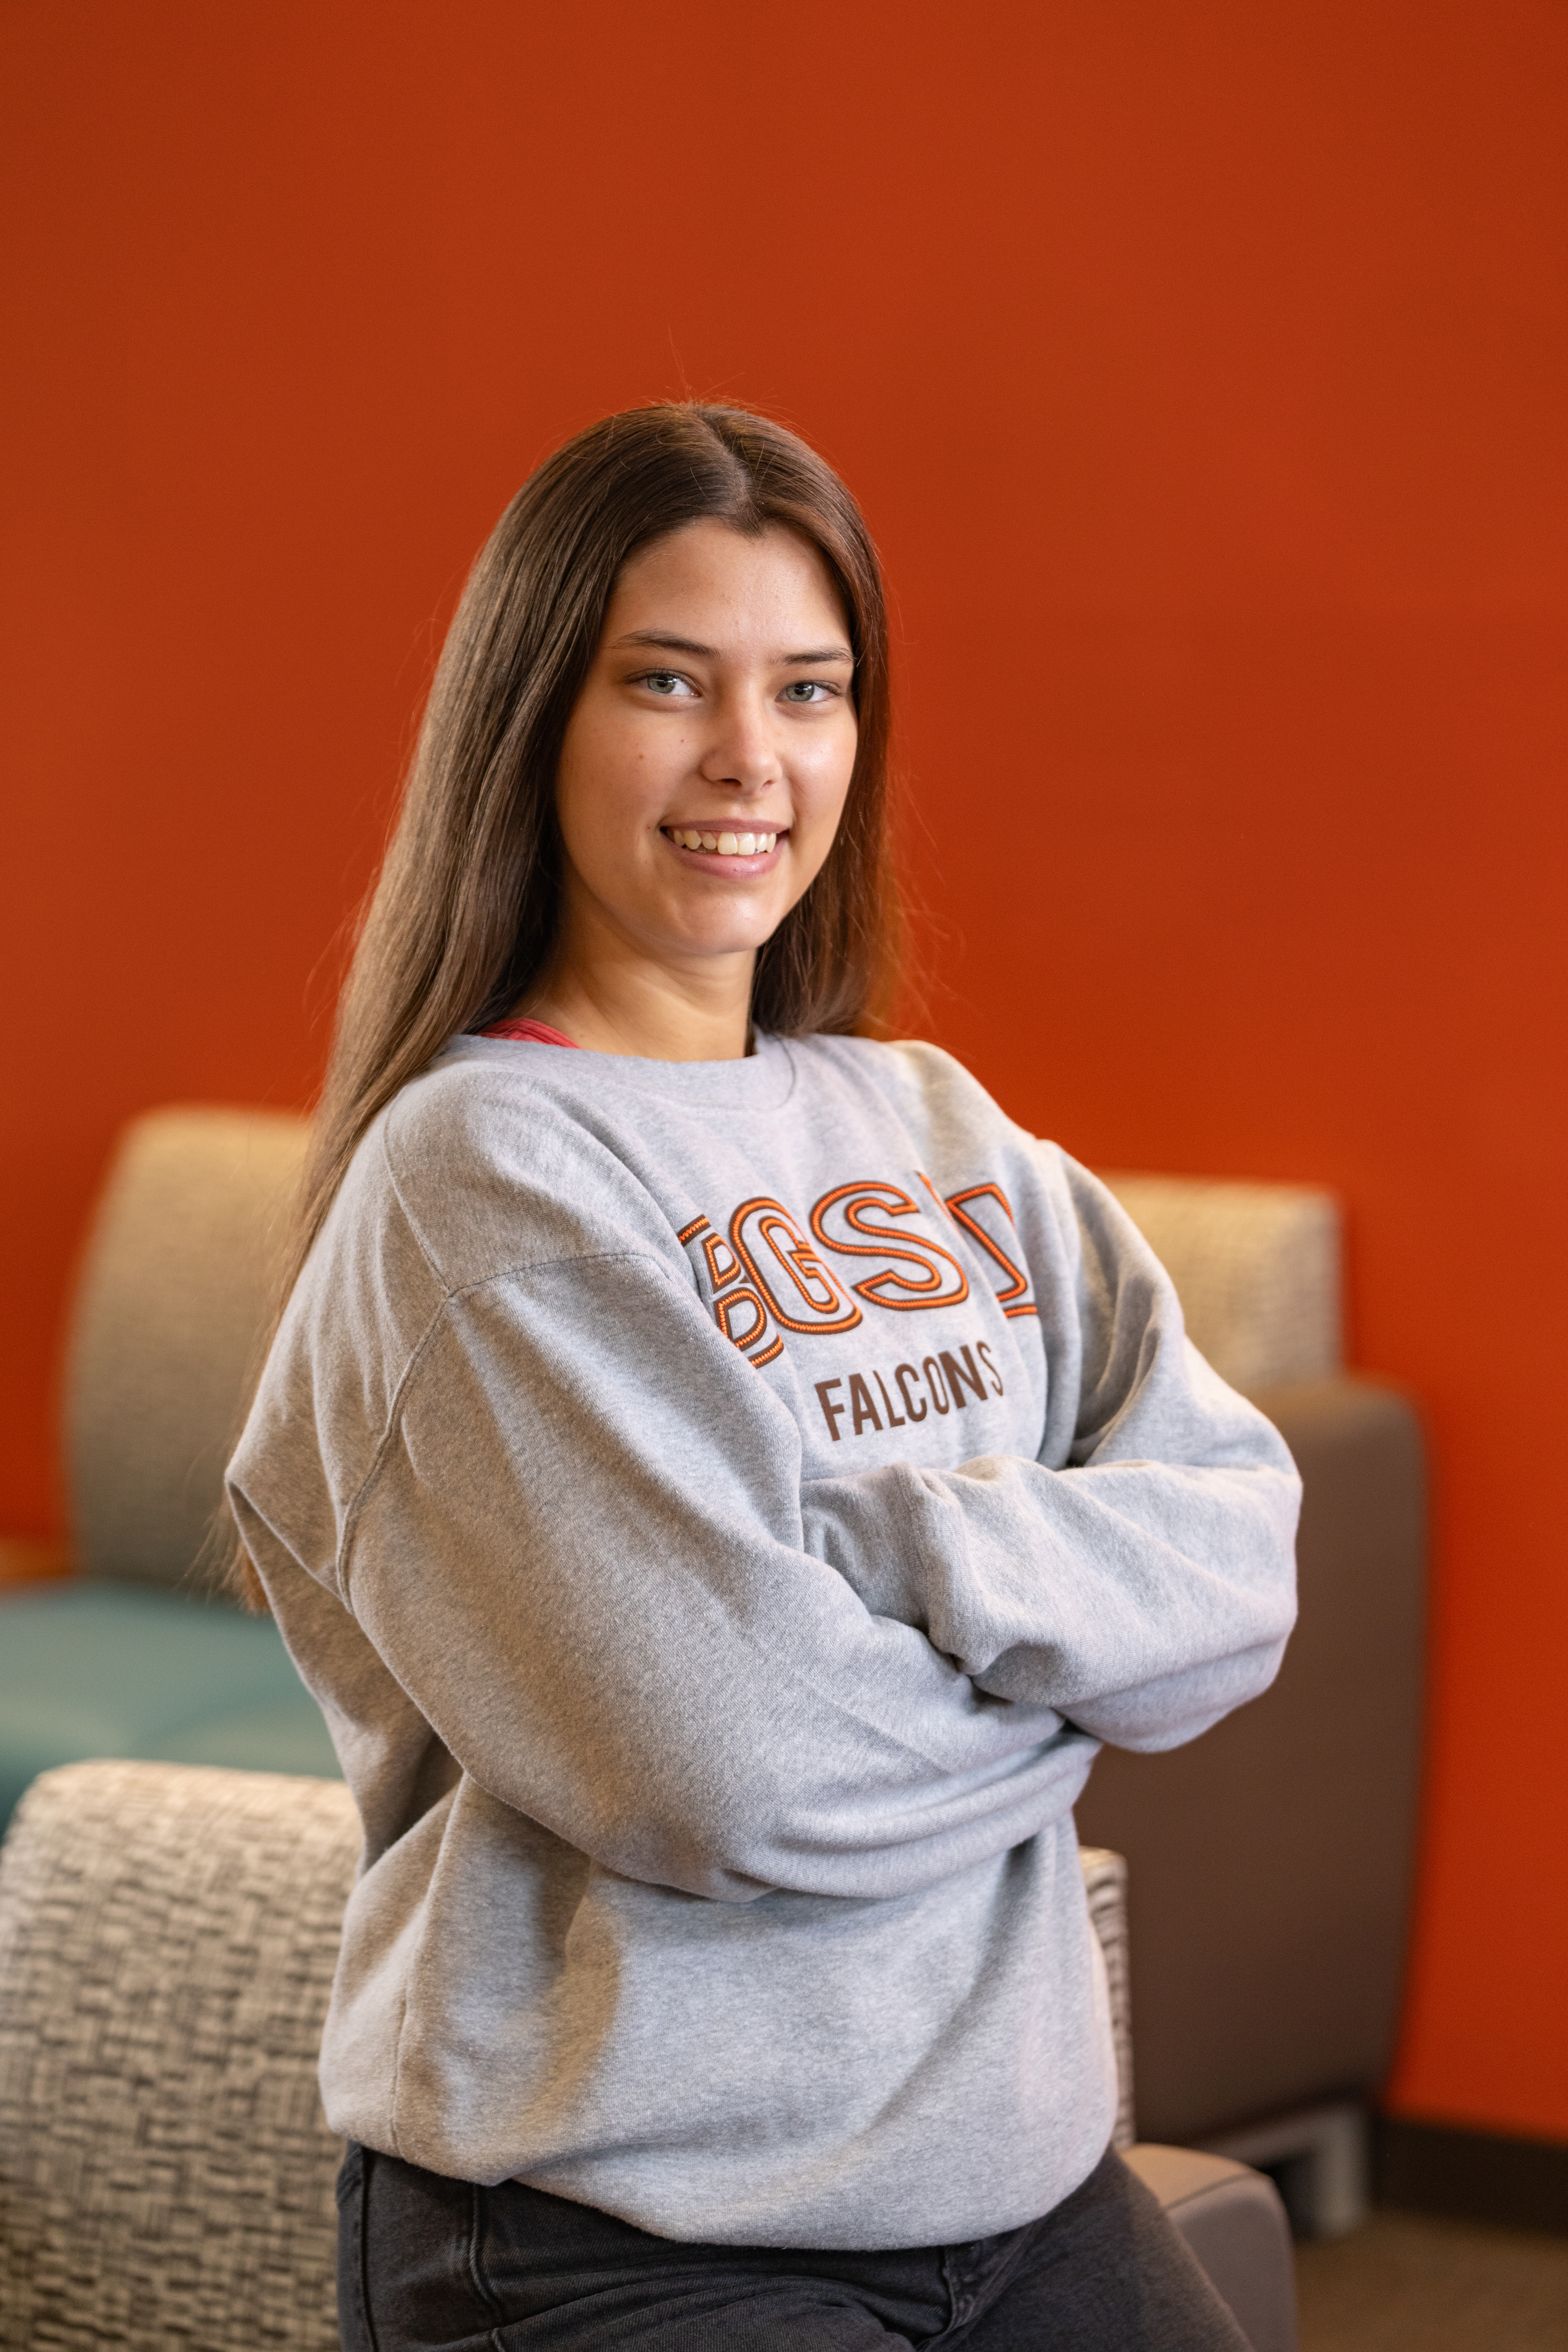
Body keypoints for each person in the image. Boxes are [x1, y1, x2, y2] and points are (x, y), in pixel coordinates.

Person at [226, 403, 1299, 2350]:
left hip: (1022, 2177)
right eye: (669, 682)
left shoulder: (934, 1123)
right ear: (533, 717)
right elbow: (721, 1767)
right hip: (614, 2227)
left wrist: (893, 1558)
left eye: (811, 689)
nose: (751, 759)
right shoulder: (481, 1178)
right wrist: (1071, 1694)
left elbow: (1242, 1565)